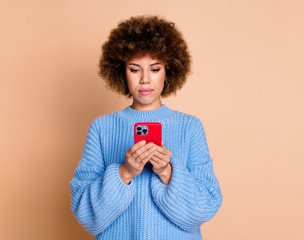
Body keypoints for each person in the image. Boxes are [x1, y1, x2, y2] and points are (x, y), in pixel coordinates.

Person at [69, 15, 222, 240]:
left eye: (154, 68)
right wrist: (124, 173)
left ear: (168, 71)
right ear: (121, 72)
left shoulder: (190, 127)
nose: (145, 80)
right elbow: (86, 213)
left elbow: (206, 206)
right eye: (134, 69)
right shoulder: (101, 128)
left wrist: (167, 173)